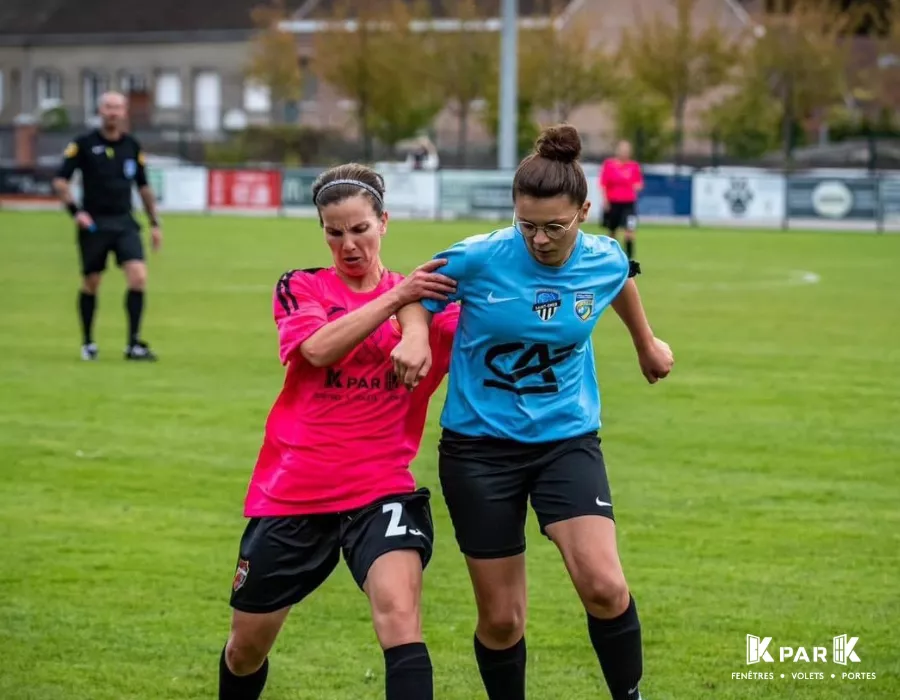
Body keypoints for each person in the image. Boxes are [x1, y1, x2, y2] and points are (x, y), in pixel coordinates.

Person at [391, 125, 674, 700]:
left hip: (565, 440)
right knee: (502, 621)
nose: (539, 239)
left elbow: (619, 278)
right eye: (527, 225)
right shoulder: (479, 256)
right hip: (479, 450)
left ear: (584, 211)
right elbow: (416, 291)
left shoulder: (603, 255)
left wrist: (647, 343)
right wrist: (416, 336)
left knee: (603, 585)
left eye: (554, 226)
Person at [218, 163, 460, 700]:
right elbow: (317, 349)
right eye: (334, 231)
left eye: (360, 229)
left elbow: (496, 324)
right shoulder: (301, 286)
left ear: (384, 223)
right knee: (245, 649)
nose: (348, 244)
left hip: (380, 489)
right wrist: (397, 302)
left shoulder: (425, 303)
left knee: (401, 620)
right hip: (294, 491)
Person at [52, 91, 162, 361]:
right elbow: (60, 181)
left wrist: (155, 223)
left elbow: (144, 187)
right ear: (100, 111)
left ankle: (133, 344)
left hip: (125, 221)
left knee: (138, 277)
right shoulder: (83, 144)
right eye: (108, 107)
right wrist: (75, 212)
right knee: (92, 282)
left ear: (124, 112)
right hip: (94, 223)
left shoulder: (132, 146)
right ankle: (88, 342)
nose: (113, 112)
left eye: (118, 107)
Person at [600, 139, 643, 259]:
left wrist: (636, 186)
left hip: (629, 205)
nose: (624, 152)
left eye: (627, 150)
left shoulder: (633, 166)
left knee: (630, 230)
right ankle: (611, 257)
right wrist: (606, 200)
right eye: (622, 150)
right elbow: (604, 184)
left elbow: (639, 184)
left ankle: (629, 259)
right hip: (613, 203)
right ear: (617, 151)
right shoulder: (609, 165)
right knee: (612, 232)